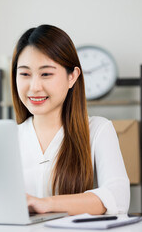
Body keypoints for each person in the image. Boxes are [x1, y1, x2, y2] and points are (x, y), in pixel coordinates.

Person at [10, 24, 130, 216]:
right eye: (24, 74)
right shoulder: (8, 137)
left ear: (72, 76)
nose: (34, 87)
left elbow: (118, 197)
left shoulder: (98, 130)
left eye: (46, 74)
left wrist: (46, 204)